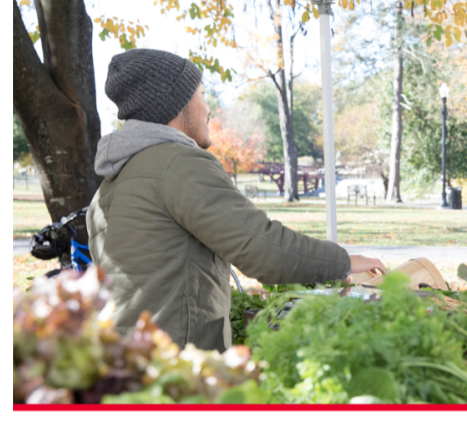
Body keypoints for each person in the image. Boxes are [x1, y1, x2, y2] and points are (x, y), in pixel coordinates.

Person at [86, 49, 386, 352]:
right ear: (178, 104)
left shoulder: (110, 183)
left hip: (124, 366)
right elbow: (262, 248)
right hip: (180, 374)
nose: (208, 109)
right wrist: (343, 262)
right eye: (202, 94)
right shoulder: (180, 165)